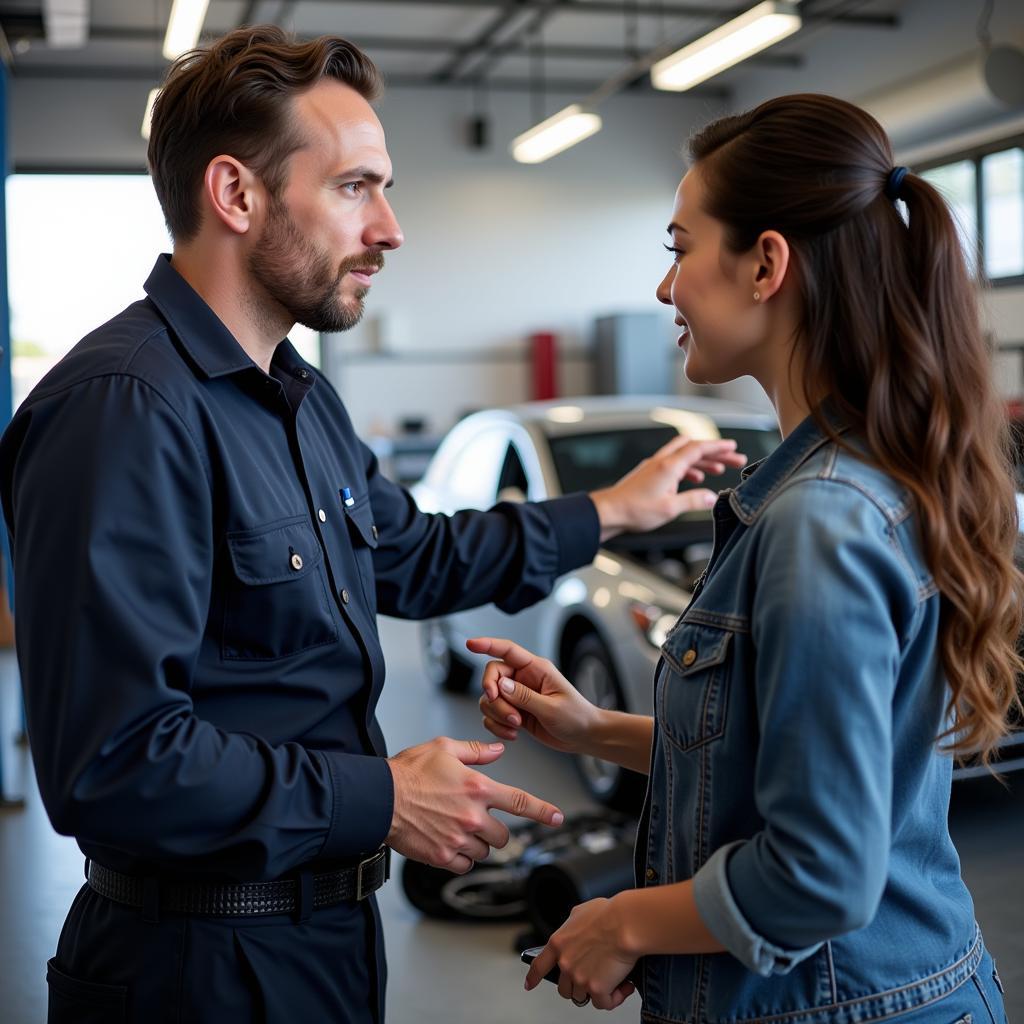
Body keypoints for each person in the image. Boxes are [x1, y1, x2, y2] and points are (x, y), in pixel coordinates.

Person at [0, 25, 748, 1024]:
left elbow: (409, 555)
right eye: (357, 186)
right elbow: (113, 761)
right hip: (196, 970)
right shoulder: (124, 408)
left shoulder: (298, 398)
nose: (390, 227)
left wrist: (611, 509)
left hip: (326, 943)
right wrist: (380, 798)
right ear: (235, 195)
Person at [474, 93, 1019, 1022]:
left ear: (766, 263)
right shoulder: (858, 483)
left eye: (678, 250)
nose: (663, 288)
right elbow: (795, 766)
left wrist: (624, 923)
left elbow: (819, 876)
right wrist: (595, 730)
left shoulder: (821, 522)